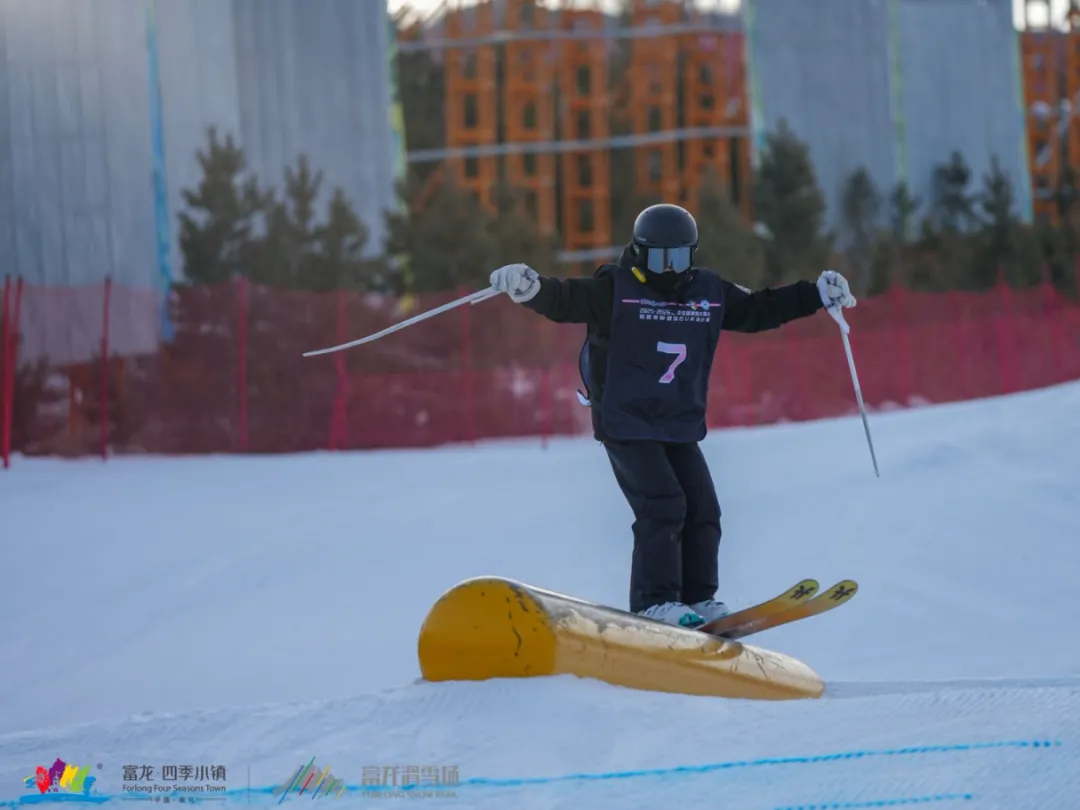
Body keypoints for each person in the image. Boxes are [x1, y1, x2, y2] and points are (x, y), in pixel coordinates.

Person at [488, 203, 856, 629]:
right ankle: (654, 601)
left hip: (677, 422)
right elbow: (564, 299)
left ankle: (698, 598)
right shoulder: (615, 289)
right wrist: (529, 287)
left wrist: (815, 294)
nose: (669, 269)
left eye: (679, 258)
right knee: (663, 504)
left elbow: (758, 309)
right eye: (659, 258)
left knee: (703, 508)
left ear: (691, 256)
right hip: (626, 421)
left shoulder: (707, 291)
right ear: (639, 253)